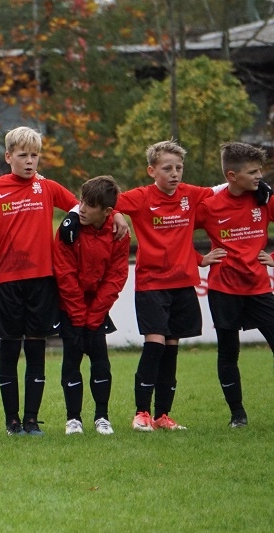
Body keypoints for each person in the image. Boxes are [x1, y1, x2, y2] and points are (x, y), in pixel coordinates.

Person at [0, 126, 127, 436]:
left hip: (42, 282)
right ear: (8, 157)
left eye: (35, 155)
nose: (30, 161)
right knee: (9, 352)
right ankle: (12, 421)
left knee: (35, 352)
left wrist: (119, 214)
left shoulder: (46, 186)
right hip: (7, 281)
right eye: (23, 155)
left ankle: (31, 420)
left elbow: (87, 203)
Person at [108, 140, 222, 432]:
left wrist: (200, 259)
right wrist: (118, 214)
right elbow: (105, 201)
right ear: (152, 171)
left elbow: (223, 189)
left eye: (179, 168)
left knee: (171, 349)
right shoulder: (141, 197)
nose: (174, 174)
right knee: (155, 346)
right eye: (167, 168)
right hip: (152, 284)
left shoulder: (190, 194)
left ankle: (162, 415)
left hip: (182, 284)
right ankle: (141, 413)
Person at [196, 142, 274, 428]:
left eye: (259, 170)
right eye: (252, 172)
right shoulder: (209, 206)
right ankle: (237, 415)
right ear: (231, 175)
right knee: (229, 352)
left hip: (259, 288)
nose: (259, 176)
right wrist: (199, 259)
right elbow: (173, 231)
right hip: (224, 290)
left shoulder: (265, 199)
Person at [52, 176, 129, 435]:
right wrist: (78, 315)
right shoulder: (68, 229)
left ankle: (102, 418)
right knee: (71, 361)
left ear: (107, 211)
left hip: (97, 311)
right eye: (82, 201)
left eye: (89, 205)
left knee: (101, 361)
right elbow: (64, 273)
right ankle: (73, 419)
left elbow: (116, 277)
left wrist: (94, 316)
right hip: (71, 309)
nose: (81, 208)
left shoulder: (119, 233)